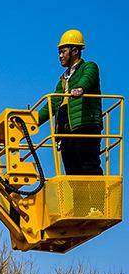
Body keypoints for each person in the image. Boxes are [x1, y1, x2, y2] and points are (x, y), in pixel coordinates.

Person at [36, 29, 103, 175]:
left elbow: (88, 78)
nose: (60, 56)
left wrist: (80, 88)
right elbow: (52, 104)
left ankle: (96, 197)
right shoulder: (63, 79)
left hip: (84, 126)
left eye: (63, 51)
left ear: (75, 51)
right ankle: (77, 198)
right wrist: (31, 120)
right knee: (71, 171)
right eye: (59, 52)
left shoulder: (89, 67)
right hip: (66, 132)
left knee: (88, 166)